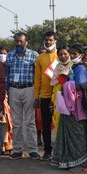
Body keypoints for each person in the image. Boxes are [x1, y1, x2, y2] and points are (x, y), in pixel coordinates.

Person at [51, 44, 87, 172]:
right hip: (70, 104)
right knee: (71, 132)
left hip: (78, 105)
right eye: (71, 53)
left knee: (78, 134)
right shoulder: (73, 67)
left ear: (81, 55)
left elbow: (80, 85)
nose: (72, 56)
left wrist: (66, 85)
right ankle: (70, 160)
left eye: (75, 54)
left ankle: (82, 163)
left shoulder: (80, 68)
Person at [5, 32, 39, 159]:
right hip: (14, 89)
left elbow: (38, 74)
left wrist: (37, 93)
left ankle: (33, 149)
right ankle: (17, 149)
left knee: (30, 121)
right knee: (17, 122)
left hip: (29, 88)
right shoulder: (10, 56)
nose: (19, 43)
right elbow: (7, 74)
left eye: (21, 41)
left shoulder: (34, 55)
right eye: (17, 41)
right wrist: (7, 91)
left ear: (26, 42)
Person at [34, 31, 58, 161]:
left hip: (59, 96)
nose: (48, 42)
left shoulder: (61, 56)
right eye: (46, 40)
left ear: (55, 41)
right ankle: (47, 151)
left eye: (50, 40)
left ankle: (60, 151)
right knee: (46, 125)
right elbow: (37, 78)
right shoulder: (40, 58)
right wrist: (36, 96)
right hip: (44, 96)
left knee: (60, 124)